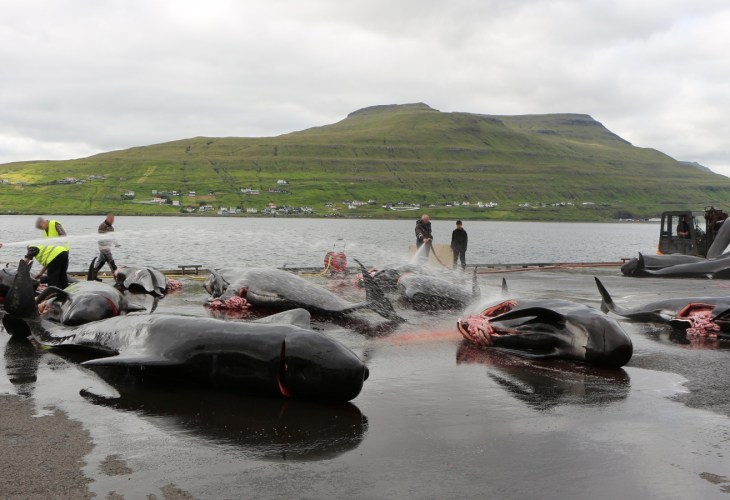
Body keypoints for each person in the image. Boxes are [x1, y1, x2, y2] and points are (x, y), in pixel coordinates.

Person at [26, 217, 70, 289]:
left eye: (41, 227)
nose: (41, 229)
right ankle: (64, 290)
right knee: (61, 274)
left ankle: (53, 292)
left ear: (43, 222)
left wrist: (56, 242)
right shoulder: (45, 231)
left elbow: (63, 235)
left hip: (61, 251)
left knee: (54, 275)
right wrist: (41, 273)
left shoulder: (54, 223)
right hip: (55, 253)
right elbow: (48, 259)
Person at [92, 214, 119, 279]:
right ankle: (116, 276)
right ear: (107, 219)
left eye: (113, 220)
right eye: (111, 220)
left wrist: (116, 243)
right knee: (110, 260)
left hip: (107, 246)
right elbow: (101, 236)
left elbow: (113, 237)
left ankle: (93, 275)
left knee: (102, 261)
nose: (112, 221)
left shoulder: (111, 228)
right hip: (103, 247)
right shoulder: (102, 226)